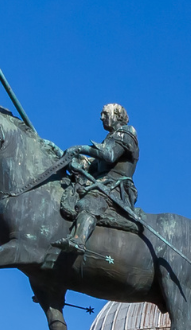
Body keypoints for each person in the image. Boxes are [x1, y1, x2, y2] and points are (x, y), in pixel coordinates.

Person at [55, 102, 143, 255]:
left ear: (116, 116)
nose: (101, 117)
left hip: (115, 188)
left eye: (105, 114)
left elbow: (109, 155)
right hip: (102, 183)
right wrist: (69, 157)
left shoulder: (127, 133)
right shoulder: (109, 138)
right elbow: (92, 165)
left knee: (89, 202)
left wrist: (80, 148)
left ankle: (78, 241)